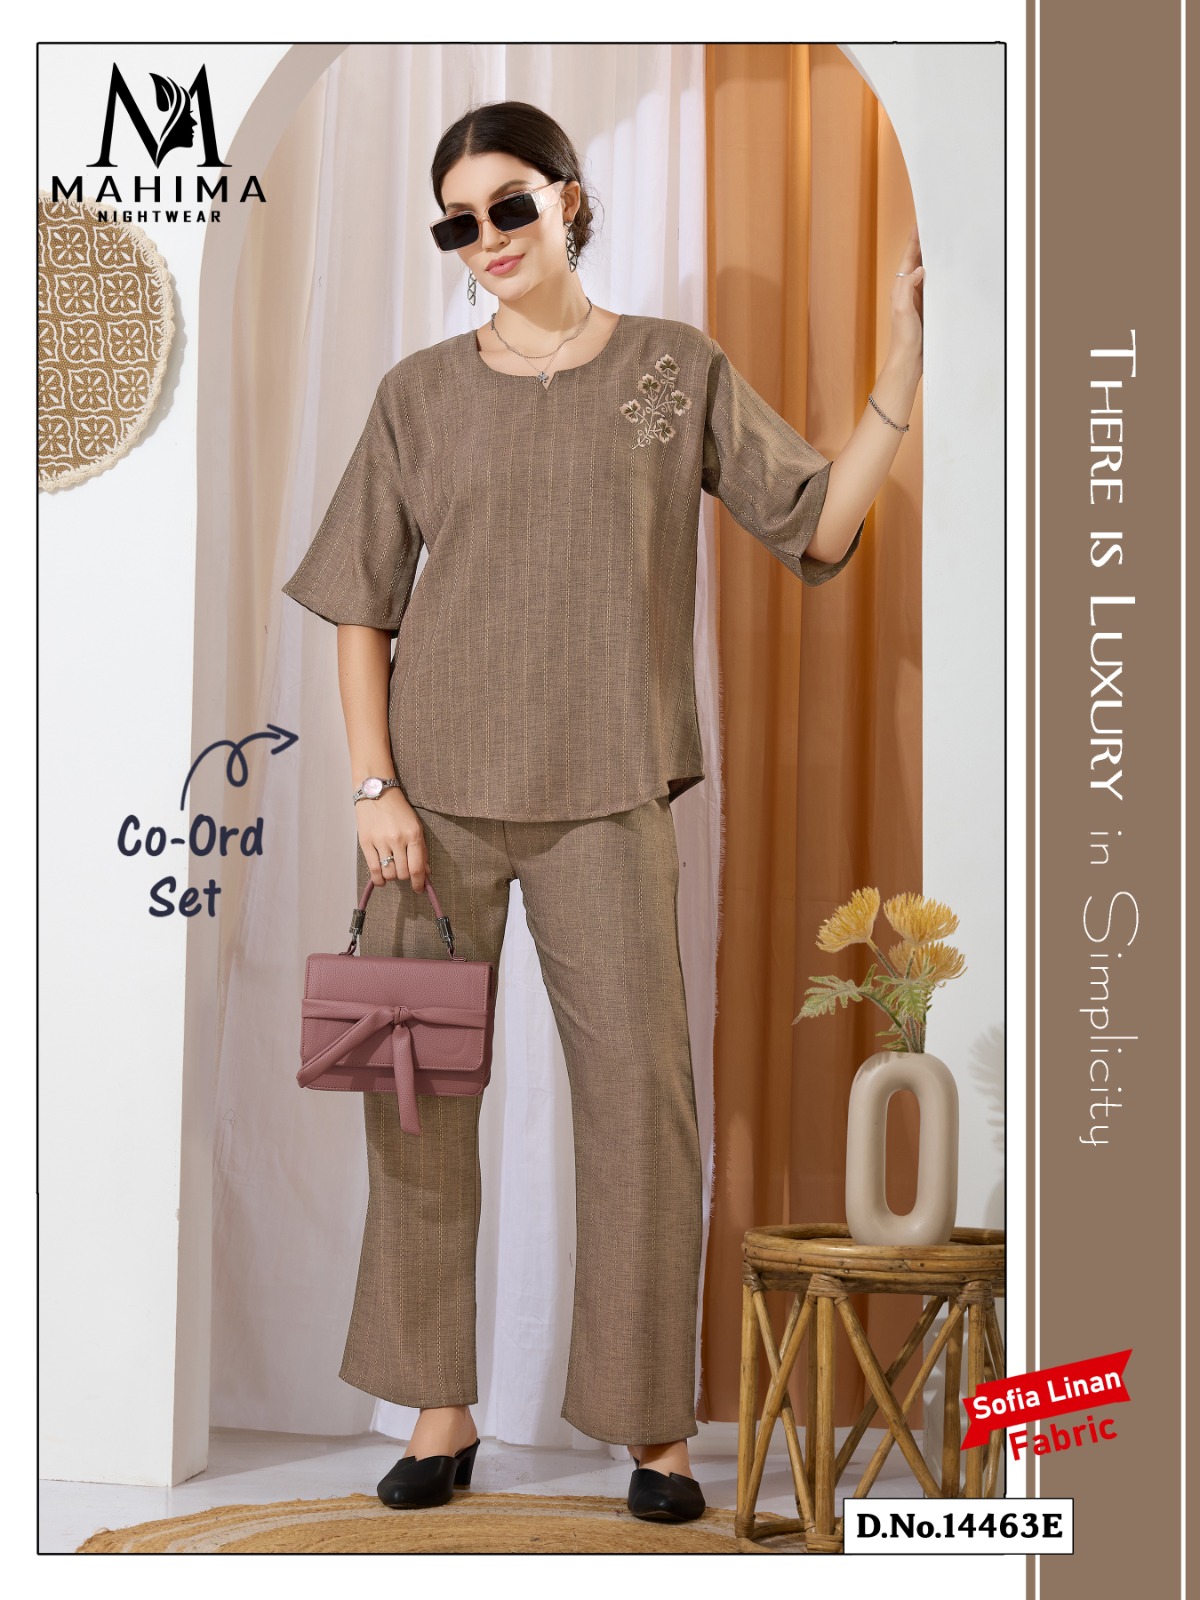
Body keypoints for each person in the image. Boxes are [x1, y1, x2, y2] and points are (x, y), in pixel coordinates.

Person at [282, 98, 924, 1524]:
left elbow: (816, 523)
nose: (489, 238)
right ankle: (438, 1410)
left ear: (570, 197)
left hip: (610, 792)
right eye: (460, 222)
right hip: (429, 813)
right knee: (416, 1103)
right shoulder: (417, 394)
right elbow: (362, 604)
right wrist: (374, 787)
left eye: (511, 204)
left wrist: (900, 370)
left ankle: (651, 1429)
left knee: (642, 1108)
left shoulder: (672, 369)